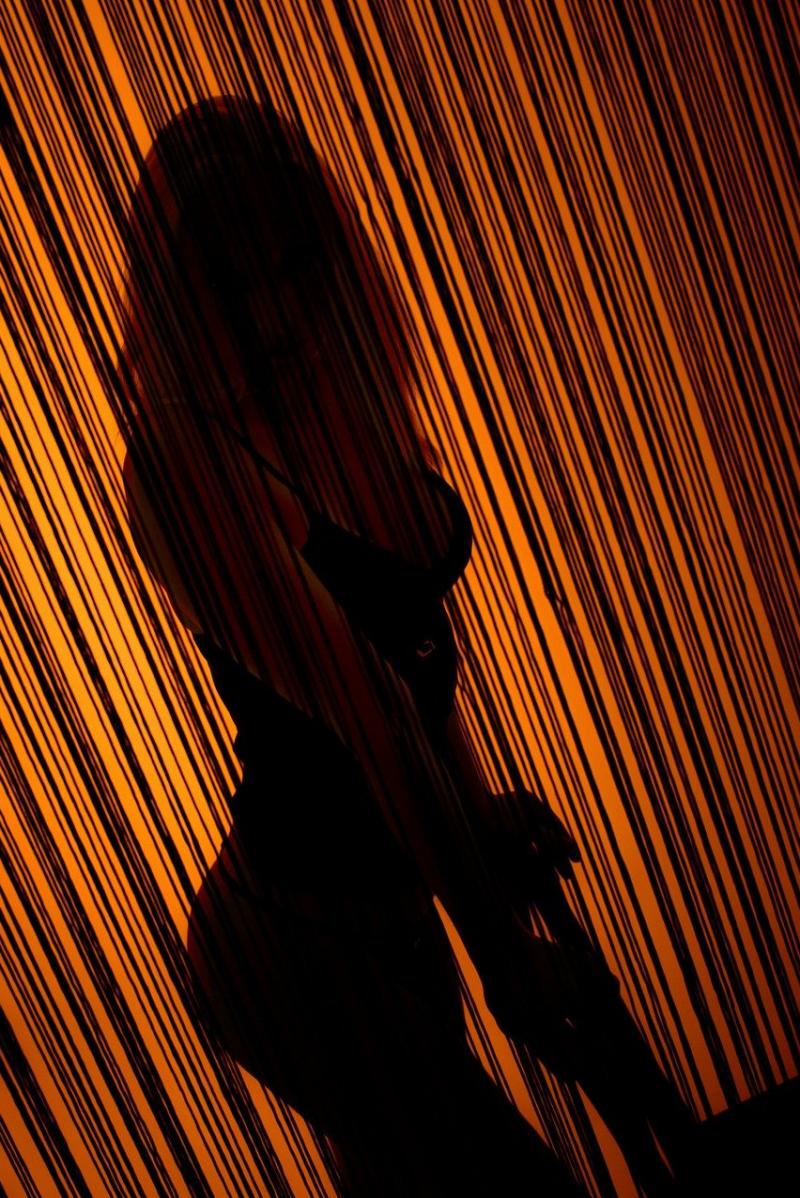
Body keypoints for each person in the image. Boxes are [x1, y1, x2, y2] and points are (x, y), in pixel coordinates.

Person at [118, 95, 694, 1195]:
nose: (272, 312)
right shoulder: (181, 455)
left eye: (296, 265)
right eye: (228, 284)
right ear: (177, 296)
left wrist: (473, 819)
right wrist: (500, 957)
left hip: (394, 913)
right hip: (292, 941)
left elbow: (419, 654)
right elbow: (365, 705)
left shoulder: (341, 394)